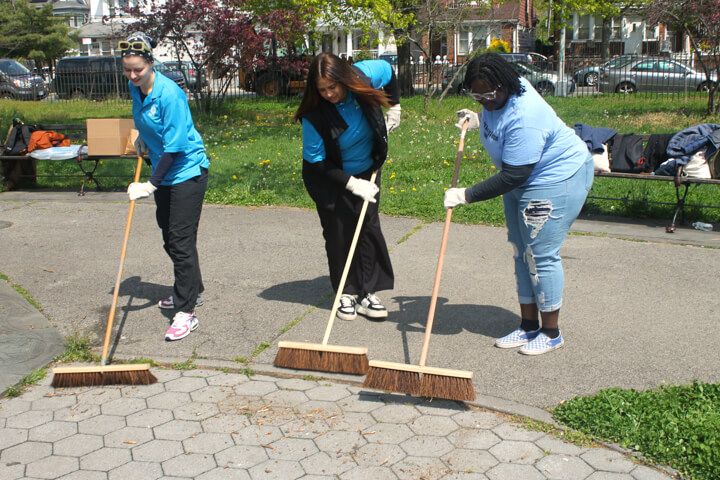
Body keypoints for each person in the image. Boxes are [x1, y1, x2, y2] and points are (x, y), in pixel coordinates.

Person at [444, 53, 593, 355]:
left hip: (555, 179)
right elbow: (497, 121)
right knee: (520, 252)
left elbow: (514, 174)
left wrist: (465, 195)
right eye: (476, 94)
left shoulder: (527, 116)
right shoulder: (498, 95)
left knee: (540, 255)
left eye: (488, 94)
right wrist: (477, 120)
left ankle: (551, 332)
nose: (483, 99)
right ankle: (528, 327)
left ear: (505, 85)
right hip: (521, 179)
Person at [294, 52, 402, 321]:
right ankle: (345, 292)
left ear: (344, 79)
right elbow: (317, 162)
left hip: (368, 168)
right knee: (339, 232)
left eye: (333, 87)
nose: (329, 93)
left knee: (368, 228)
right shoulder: (314, 115)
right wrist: (352, 184)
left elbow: (388, 71)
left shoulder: (362, 76)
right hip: (330, 178)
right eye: (322, 90)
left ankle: (367, 292)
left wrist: (395, 106)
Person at [120, 32, 210, 341]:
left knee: (181, 241)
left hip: (186, 172)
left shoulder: (169, 94)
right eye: (127, 69)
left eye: (138, 70)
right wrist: (142, 137)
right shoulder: (137, 90)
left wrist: (149, 185)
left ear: (150, 63)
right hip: (164, 169)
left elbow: (174, 148)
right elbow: (144, 122)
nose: (132, 75)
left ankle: (186, 311)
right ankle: (191, 288)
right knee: (169, 238)